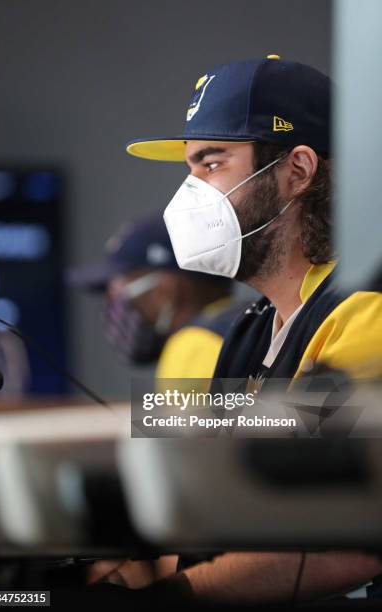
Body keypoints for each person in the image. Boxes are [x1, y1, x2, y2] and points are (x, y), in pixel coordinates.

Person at [109, 55, 382, 603]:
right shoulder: (249, 328)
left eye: (211, 163)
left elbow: (349, 537)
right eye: (187, 168)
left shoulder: (365, 312)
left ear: (297, 171)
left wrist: (173, 596)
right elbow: (215, 500)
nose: (189, 196)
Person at [68, 209, 250, 379]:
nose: (112, 303)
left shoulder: (191, 349)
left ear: (165, 290)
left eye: (118, 287)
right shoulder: (260, 324)